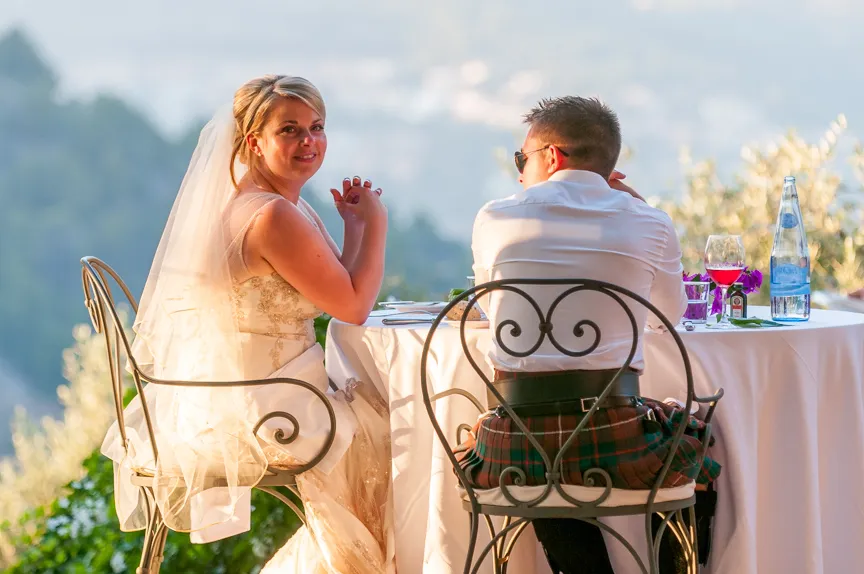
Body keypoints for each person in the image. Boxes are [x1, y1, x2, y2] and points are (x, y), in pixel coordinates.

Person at [100, 75, 395, 573]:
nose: (309, 142)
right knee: (399, 427)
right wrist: (380, 224)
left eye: (317, 127)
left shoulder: (265, 202)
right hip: (270, 405)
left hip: (238, 391)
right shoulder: (273, 216)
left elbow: (331, 286)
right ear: (253, 141)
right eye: (289, 130)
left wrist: (355, 228)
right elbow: (352, 307)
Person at [455, 96, 720, 573]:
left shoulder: (493, 217)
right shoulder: (649, 222)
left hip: (511, 445)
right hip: (613, 438)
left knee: (546, 457)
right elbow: (668, 317)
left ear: (551, 156)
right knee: (694, 442)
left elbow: (493, 308)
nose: (520, 174)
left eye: (523, 159)